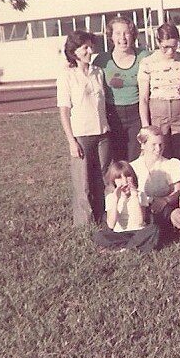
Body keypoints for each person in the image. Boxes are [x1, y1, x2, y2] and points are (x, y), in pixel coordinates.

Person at [56, 30, 110, 228]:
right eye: (85, 47)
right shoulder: (67, 76)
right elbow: (64, 112)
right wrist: (71, 141)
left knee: (103, 178)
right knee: (83, 182)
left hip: (102, 133)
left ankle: (105, 217)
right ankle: (84, 224)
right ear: (74, 51)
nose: (90, 50)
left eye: (90, 46)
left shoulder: (98, 72)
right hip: (81, 135)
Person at [138, 22, 180, 166]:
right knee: (160, 155)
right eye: (166, 47)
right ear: (158, 42)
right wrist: (146, 127)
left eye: (174, 46)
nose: (170, 51)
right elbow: (144, 99)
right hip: (158, 116)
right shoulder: (147, 63)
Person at [93, 15, 149, 162]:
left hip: (137, 113)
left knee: (136, 158)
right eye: (118, 33)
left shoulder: (143, 56)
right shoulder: (102, 60)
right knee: (117, 159)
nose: (123, 38)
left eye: (126, 33)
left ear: (133, 35)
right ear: (111, 36)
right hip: (113, 114)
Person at [92, 161, 159, 252]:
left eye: (127, 176)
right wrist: (116, 199)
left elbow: (139, 222)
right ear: (114, 181)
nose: (124, 181)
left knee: (154, 229)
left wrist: (134, 196)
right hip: (120, 233)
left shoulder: (140, 195)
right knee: (99, 235)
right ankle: (134, 246)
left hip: (138, 232)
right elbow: (111, 224)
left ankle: (122, 249)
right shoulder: (111, 197)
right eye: (119, 178)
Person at [130, 126, 180, 236]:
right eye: (153, 145)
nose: (158, 148)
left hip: (164, 207)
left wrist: (164, 200)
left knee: (168, 215)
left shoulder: (171, 164)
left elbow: (177, 192)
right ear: (143, 145)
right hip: (141, 208)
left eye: (161, 144)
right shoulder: (133, 167)